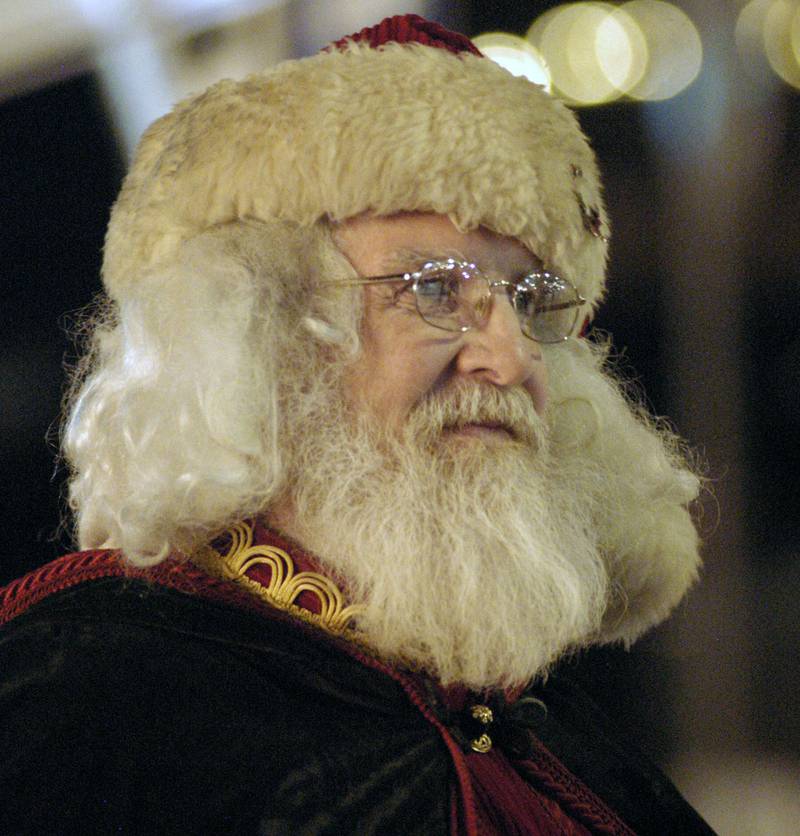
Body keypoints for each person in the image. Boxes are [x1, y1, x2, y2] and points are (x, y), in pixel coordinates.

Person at [0, 14, 713, 835]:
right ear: (268, 334)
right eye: (436, 290)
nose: (511, 358)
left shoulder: (546, 729)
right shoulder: (87, 697)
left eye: (529, 302)